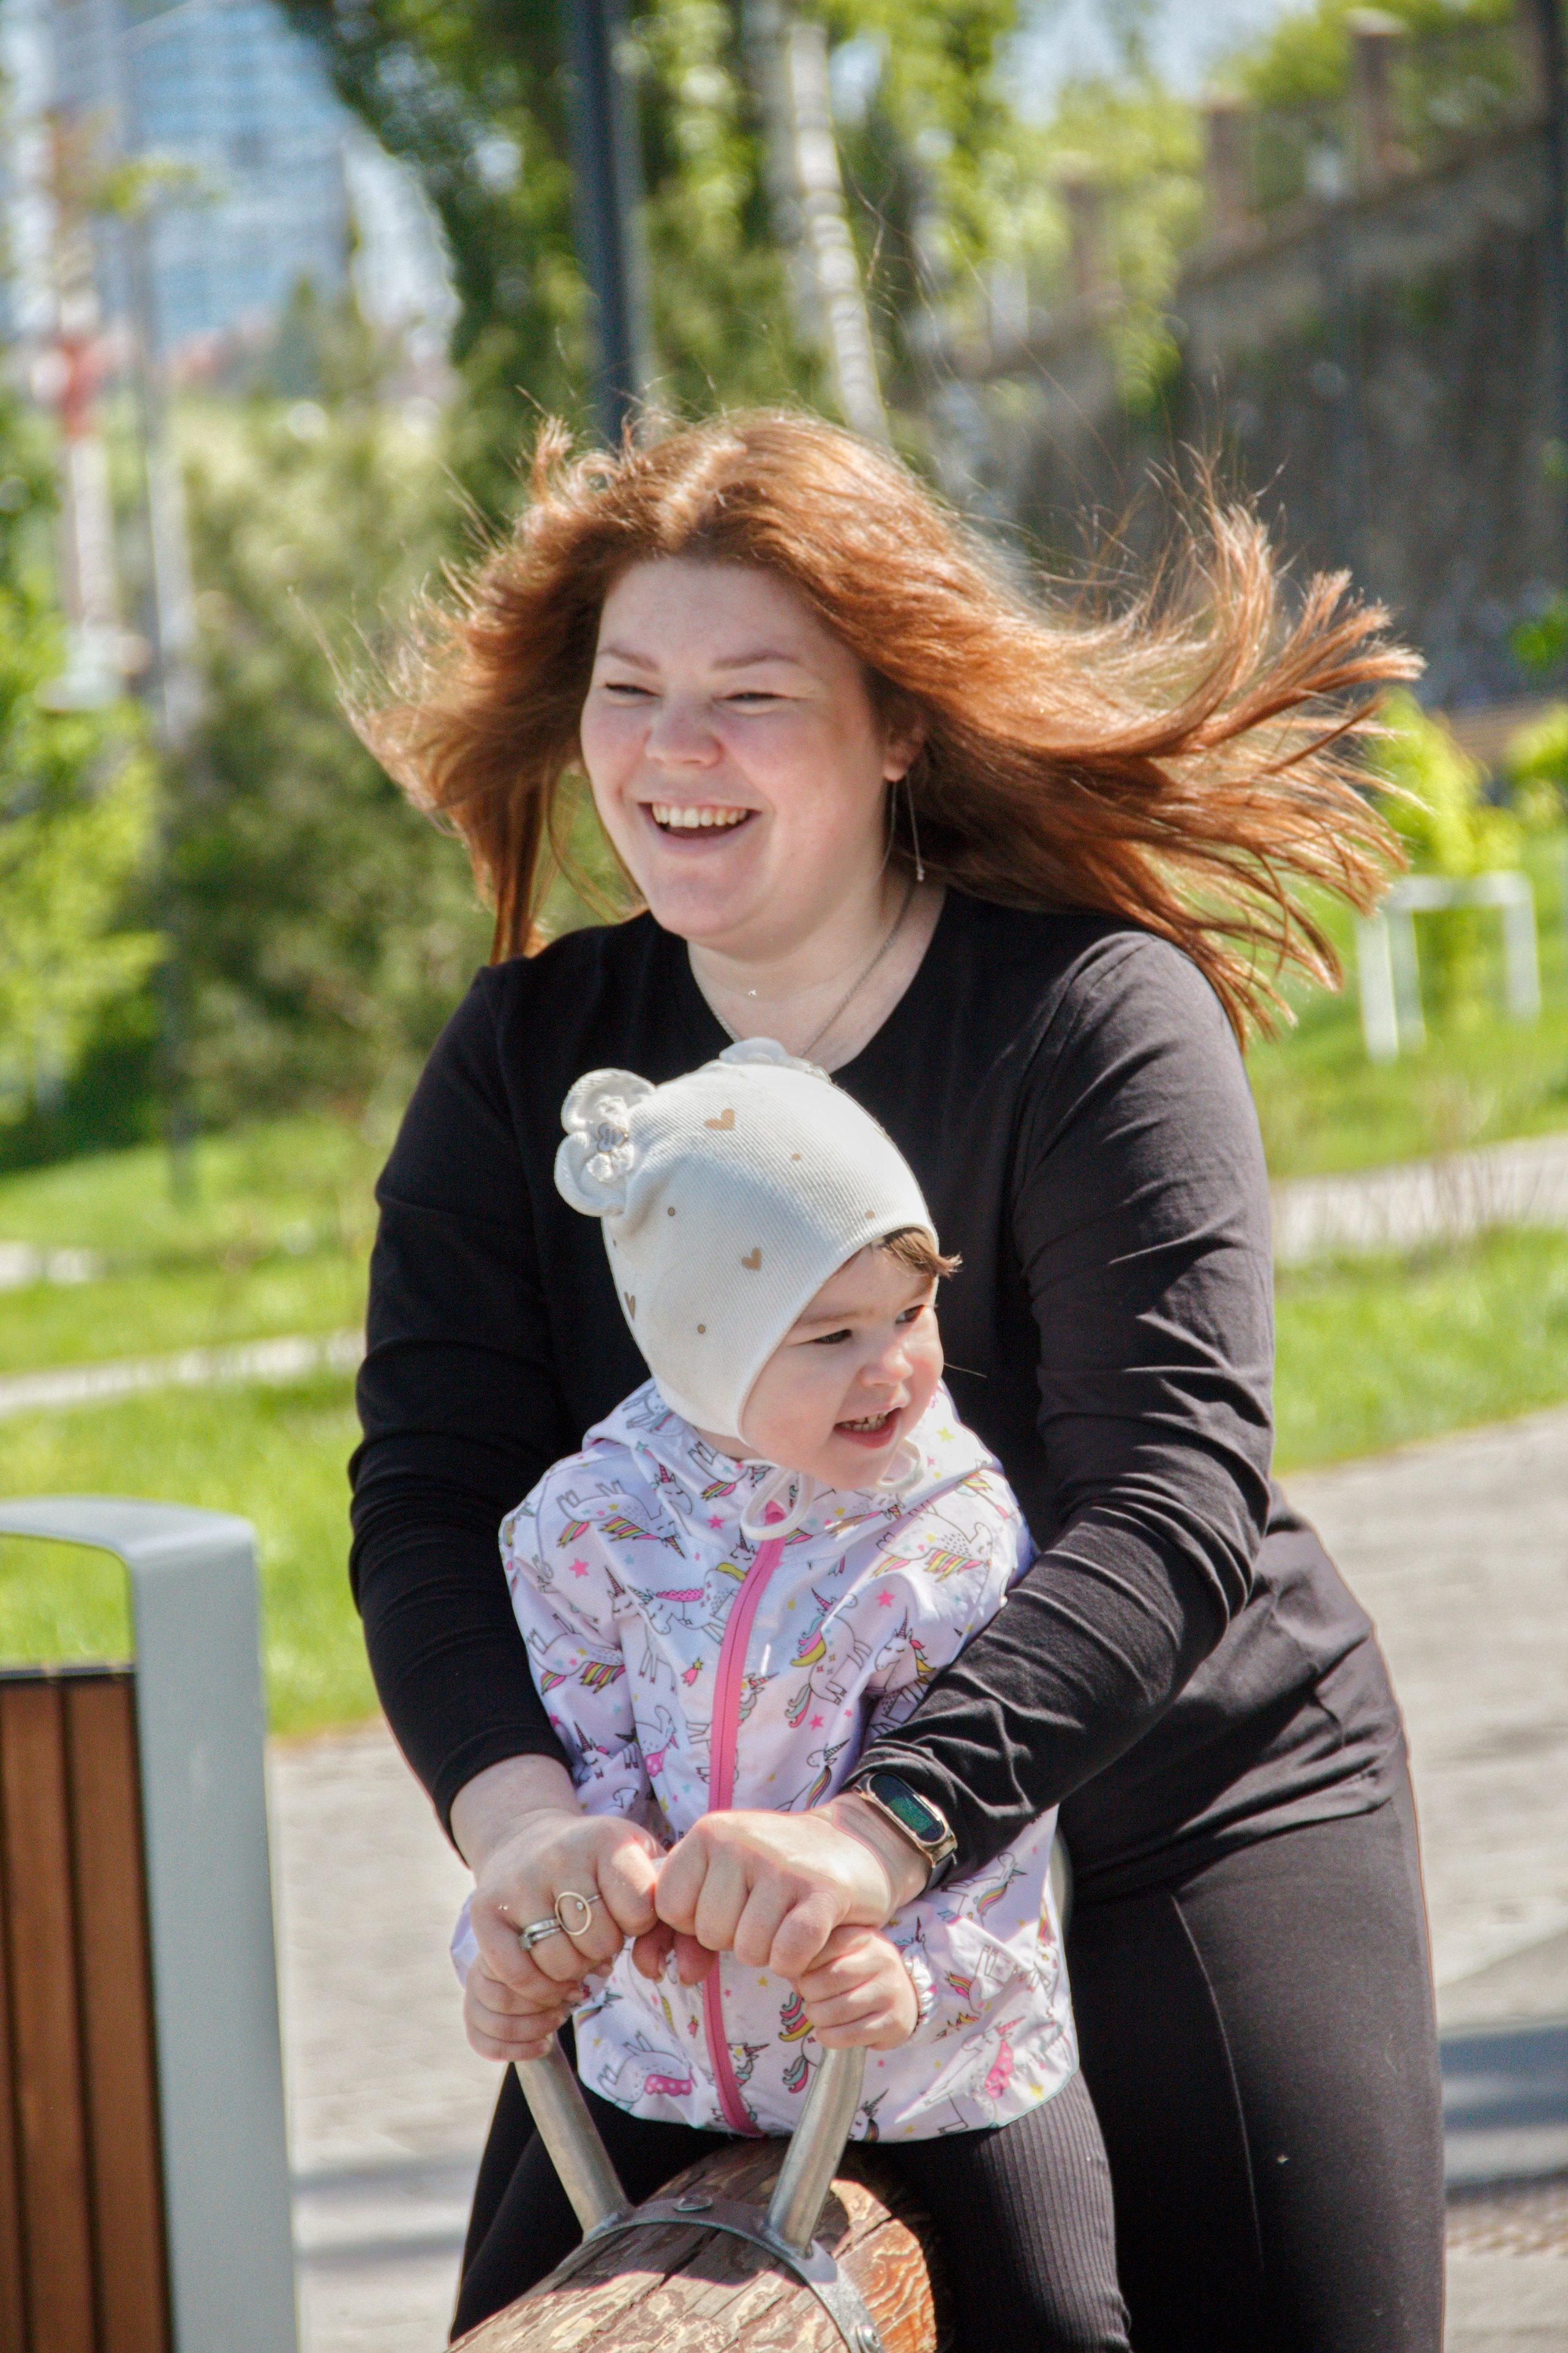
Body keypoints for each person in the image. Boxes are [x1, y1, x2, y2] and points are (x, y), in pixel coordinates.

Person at [351, 412, 1445, 2350]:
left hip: (1163, 1814)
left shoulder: (1092, 1019)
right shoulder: (532, 1057)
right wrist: (525, 1827)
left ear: (894, 727)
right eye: (632, 689)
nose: (673, 751)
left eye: (751, 696)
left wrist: (883, 1834)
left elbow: (1172, 1498)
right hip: (720, 1892)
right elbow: (429, 1495)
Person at [450, 1040, 1121, 2343]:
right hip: (654, 2066)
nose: (894, 1370)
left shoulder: (946, 1527)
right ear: (702, 1349)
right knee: (505, 2314)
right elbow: (580, 1771)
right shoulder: (591, 1524)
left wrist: (916, 1972)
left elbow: (998, 1821)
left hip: (938, 2062)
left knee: (1057, 2318)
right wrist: (529, 1935)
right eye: (829, 1336)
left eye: (910, 1312)